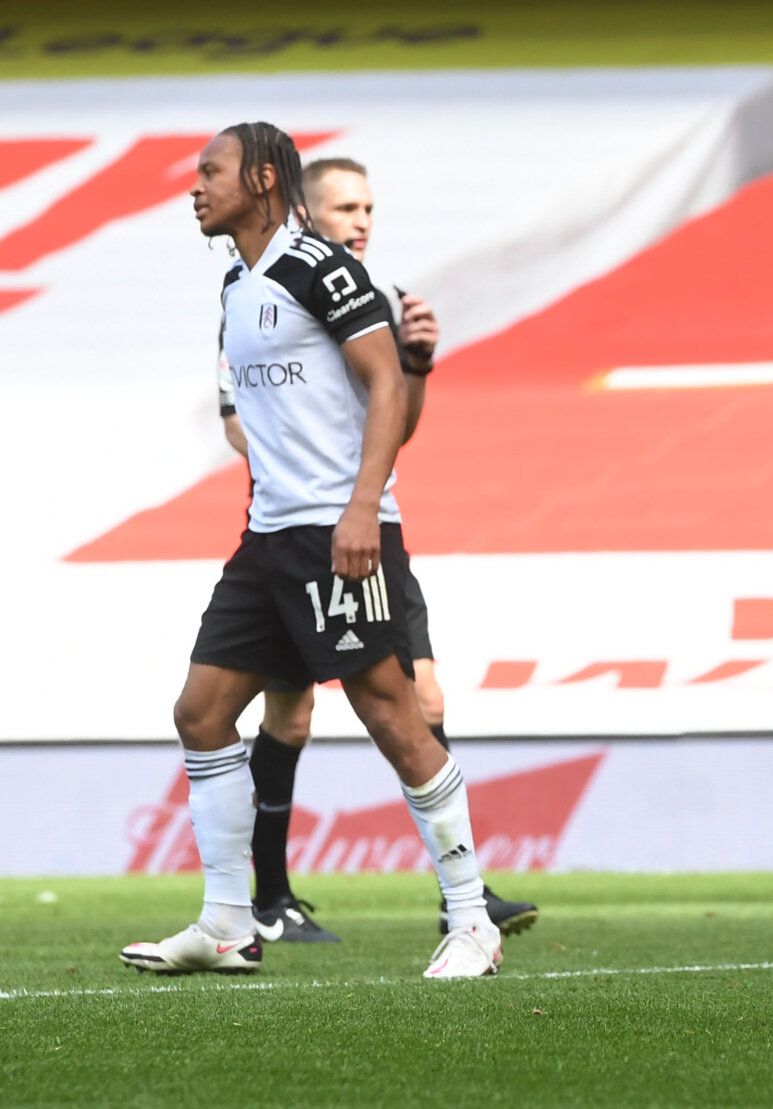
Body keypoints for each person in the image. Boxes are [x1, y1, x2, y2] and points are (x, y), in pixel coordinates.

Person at [121, 121, 501, 979]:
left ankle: (473, 919)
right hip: (268, 538)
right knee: (202, 713)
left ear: (259, 177)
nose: (195, 186)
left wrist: (364, 507)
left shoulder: (319, 266)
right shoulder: (234, 282)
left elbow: (385, 379)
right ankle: (227, 922)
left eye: (209, 171)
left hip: (338, 531)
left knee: (392, 717)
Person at [217, 156, 538, 944]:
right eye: (344, 207)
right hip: (298, 532)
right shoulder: (258, 291)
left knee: (418, 698)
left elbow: (397, 429)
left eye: (368, 207)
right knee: (290, 709)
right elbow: (243, 419)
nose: (361, 221)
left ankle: (458, 892)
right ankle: (269, 897)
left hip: (369, 526)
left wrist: (417, 364)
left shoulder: (381, 299)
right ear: (304, 213)